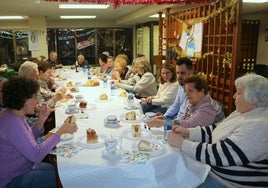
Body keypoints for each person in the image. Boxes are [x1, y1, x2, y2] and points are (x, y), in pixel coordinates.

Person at [167, 73, 268, 188]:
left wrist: (182, 143)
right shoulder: (242, 113)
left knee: (176, 180)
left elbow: (220, 153)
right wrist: (188, 132)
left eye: (239, 92)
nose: (234, 96)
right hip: (211, 171)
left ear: (254, 99)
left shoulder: (260, 126)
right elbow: (217, 128)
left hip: (227, 183)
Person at [0, 76, 78, 188]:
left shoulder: (11, 113)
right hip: (13, 180)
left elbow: (27, 139)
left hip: (22, 169)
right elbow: (36, 155)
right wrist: (61, 131)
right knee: (66, 177)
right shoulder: (13, 123)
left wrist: (41, 119)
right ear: (23, 99)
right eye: (34, 97)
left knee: (56, 168)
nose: (37, 101)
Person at [148, 75, 221, 128]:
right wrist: (166, 119)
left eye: (190, 91)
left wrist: (163, 123)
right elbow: (183, 118)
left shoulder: (209, 107)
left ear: (201, 91)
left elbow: (189, 124)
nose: (186, 94)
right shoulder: (194, 102)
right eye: (186, 91)